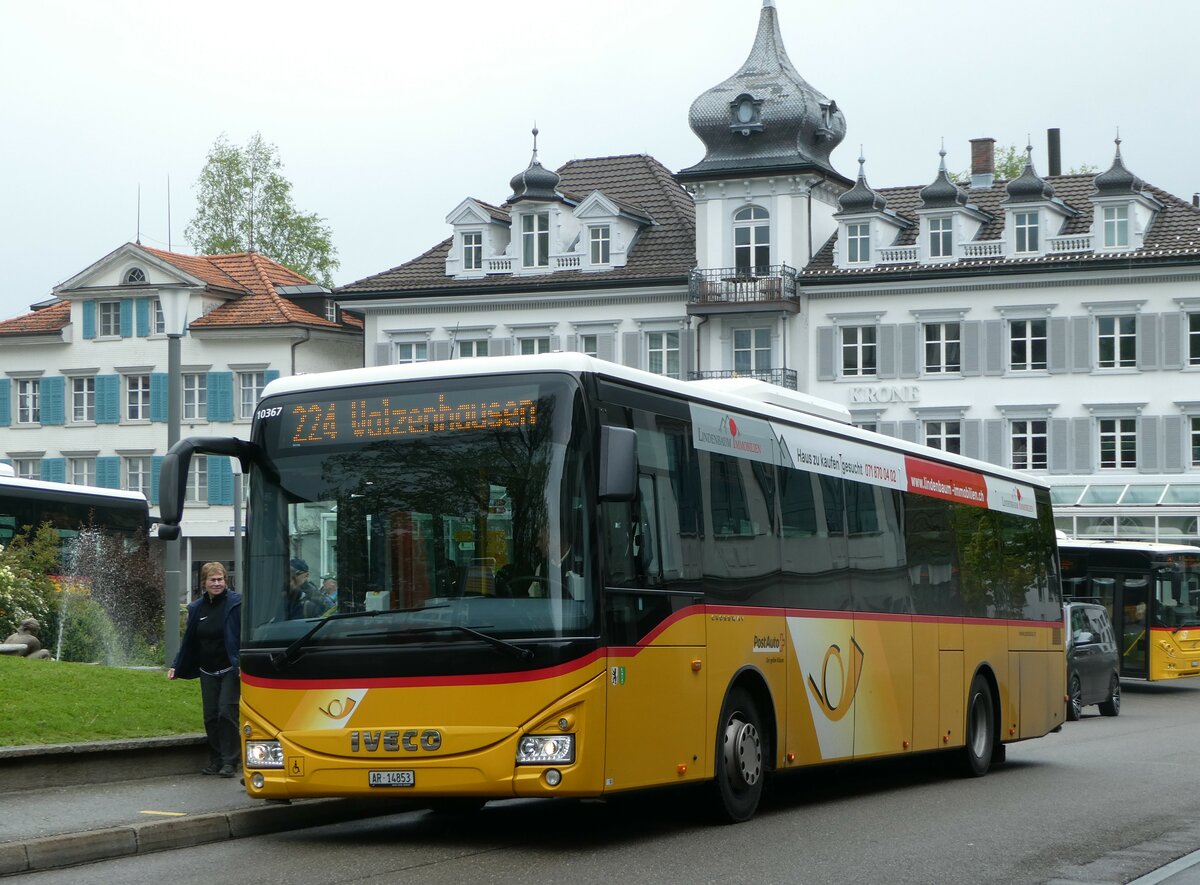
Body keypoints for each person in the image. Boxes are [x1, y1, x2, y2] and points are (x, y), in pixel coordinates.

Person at [168, 562, 241, 778]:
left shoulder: (236, 603)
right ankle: (216, 760)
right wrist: (176, 665)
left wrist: (242, 663)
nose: (217, 583)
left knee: (226, 713)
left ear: (225, 581)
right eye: (213, 580)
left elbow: (242, 636)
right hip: (207, 669)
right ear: (204, 583)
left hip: (230, 668)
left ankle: (230, 761)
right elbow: (190, 640)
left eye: (220, 580)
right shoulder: (196, 608)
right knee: (210, 716)